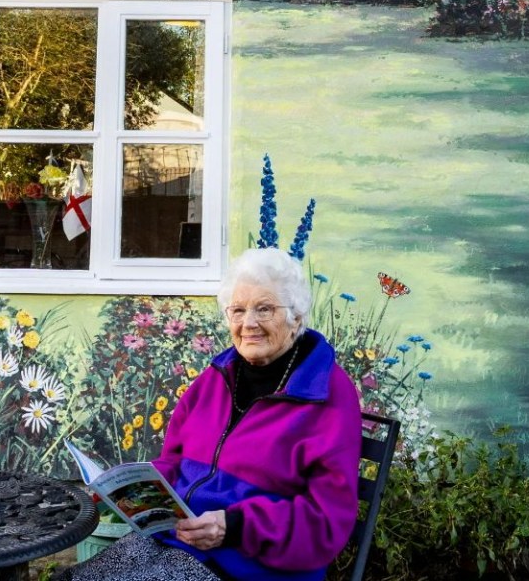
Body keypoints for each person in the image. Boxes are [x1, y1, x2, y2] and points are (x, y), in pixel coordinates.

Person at [56, 247, 362, 581]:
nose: (249, 324)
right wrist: (129, 489)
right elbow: (174, 462)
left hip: (249, 564)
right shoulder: (218, 376)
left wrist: (235, 526)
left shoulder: (327, 395)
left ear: (296, 317)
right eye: (238, 310)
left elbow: (325, 523)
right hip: (179, 541)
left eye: (264, 309)